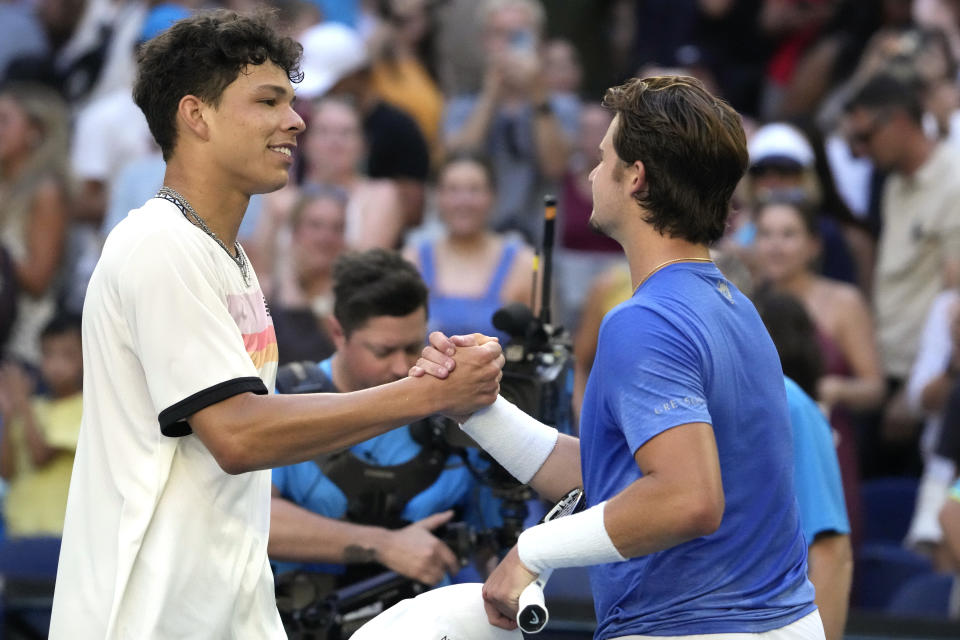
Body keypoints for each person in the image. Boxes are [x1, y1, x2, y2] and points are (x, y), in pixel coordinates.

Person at [48, 11, 503, 639]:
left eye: (292, 101)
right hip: (148, 617)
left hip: (228, 606)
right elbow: (238, 435)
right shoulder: (159, 245)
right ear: (195, 115)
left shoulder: (228, 259)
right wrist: (425, 395)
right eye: (268, 101)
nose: (296, 120)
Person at [417, 75, 821, 637]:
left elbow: (685, 498)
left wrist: (532, 550)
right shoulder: (736, 304)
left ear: (637, 177)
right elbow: (616, 479)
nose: (588, 173)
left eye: (602, 157)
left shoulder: (643, 320)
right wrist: (475, 409)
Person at [270, 249, 495, 589]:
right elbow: (251, 518)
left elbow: (493, 542)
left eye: (412, 346)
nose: (402, 367)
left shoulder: (453, 408)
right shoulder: (284, 399)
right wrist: (385, 546)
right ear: (337, 332)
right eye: (383, 351)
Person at [845, 70, 960, 476]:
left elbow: (955, 298)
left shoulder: (955, 180)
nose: (859, 151)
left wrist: (917, 386)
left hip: (926, 383)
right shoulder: (892, 182)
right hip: (886, 370)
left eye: (864, 137)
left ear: (897, 121)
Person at [443, 0, 579, 241]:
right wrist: (490, 95)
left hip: (539, 242)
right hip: (475, 241)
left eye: (519, 34)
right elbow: (459, 162)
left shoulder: (562, 106)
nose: (508, 43)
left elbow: (555, 166)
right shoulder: (461, 107)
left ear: (539, 43)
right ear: (484, 41)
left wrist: (537, 90)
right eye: (499, 34)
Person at [403, 152, 535, 342]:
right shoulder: (412, 260)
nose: (463, 202)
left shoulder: (524, 264)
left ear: (493, 196)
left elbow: (542, 349)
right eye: (453, 190)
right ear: (437, 197)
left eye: (474, 190)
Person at [0, 82, 71, 367]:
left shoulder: (46, 192)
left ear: (35, 131)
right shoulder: (5, 186)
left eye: (3, 121)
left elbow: (39, 280)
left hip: (25, 338)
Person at [0, 313, 83, 538]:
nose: (56, 364)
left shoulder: (87, 409)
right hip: (19, 533)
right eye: (48, 354)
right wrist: (8, 417)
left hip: (61, 535)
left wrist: (21, 404)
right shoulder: (30, 407)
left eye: (67, 355)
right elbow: (6, 472)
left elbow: (41, 456)